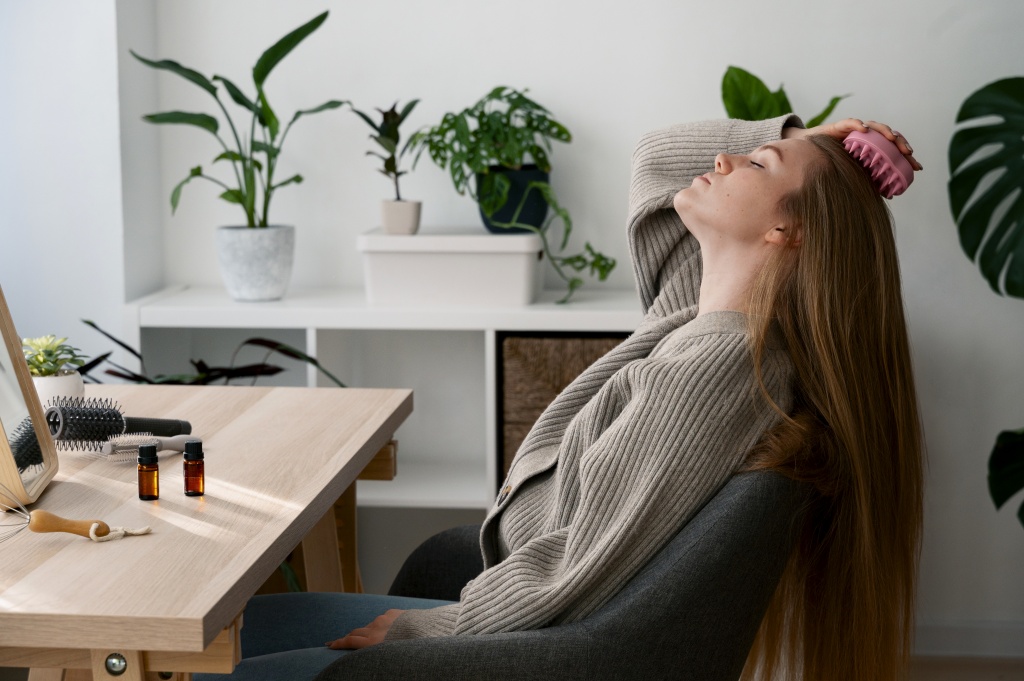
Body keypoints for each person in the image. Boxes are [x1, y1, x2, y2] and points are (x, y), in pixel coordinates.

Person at [197, 115, 924, 681]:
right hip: (521, 593)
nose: (725, 159)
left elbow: (588, 554)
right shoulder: (697, 316)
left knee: (195, 647)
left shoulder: (719, 365)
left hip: (537, 635)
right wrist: (803, 140)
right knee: (232, 629)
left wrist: (435, 629)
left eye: (757, 164)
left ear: (785, 230)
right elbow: (659, 159)